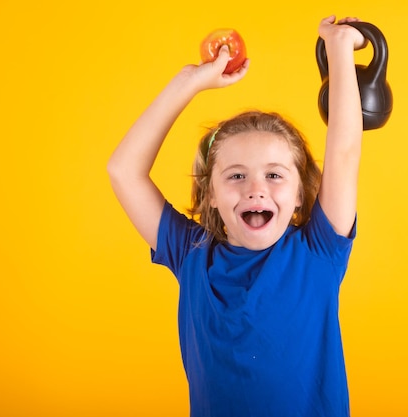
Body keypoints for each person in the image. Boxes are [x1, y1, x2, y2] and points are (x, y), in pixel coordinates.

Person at [108, 15, 366, 417]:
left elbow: (345, 152)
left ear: (300, 194)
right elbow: (122, 171)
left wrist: (338, 48)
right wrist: (189, 82)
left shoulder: (319, 250)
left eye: (274, 175)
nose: (255, 188)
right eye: (237, 176)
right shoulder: (190, 252)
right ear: (210, 193)